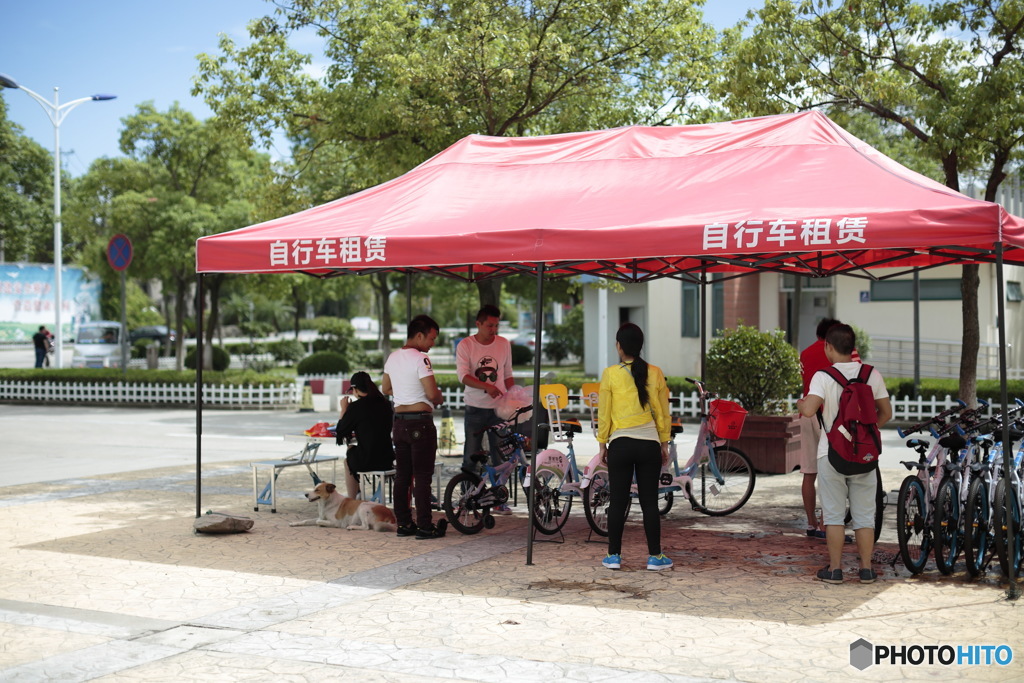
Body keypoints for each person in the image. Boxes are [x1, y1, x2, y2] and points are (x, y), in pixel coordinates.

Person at [797, 323, 891, 584]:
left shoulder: (823, 376)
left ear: (828, 346)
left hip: (831, 454)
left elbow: (808, 411)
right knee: (864, 515)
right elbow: (886, 413)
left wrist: (801, 403)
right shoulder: (872, 374)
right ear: (852, 348)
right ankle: (866, 569)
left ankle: (835, 570)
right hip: (865, 457)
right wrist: (864, 436)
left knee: (834, 515)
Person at [596, 322, 673, 571]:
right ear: (640, 346)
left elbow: (604, 413)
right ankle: (655, 557)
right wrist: (664, 443)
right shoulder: (656, 372)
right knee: (650, 502)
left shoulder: (611, 374)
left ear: (619, 346)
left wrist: (602, 444)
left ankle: (613, 556)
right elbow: (663, 412)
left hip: (620, 444)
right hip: (649, 444)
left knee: (618, 501)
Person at [382, 314, 447, 540]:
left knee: (402, 476)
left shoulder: (392, 357)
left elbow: (386, 389)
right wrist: (438, 397)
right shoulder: (421, 359)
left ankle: (403, 523)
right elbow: (431, 393)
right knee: (422, 477)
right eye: (431, 338)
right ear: (419, 335)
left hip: (399, 423)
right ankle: (425, 526)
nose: (432, 343)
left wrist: (404, 392)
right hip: (420, 422)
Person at [799, 318, 861, 539]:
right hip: (832, 417)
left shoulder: (805, 353)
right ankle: (827, 525)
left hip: (807, 413)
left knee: (809, 471)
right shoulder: (847, 353)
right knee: (833, 471)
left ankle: (811, 523)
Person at [456, 305, 515, 513]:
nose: (494, 329)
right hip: (475, 408)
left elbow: (507, 374)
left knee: (501, 458)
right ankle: (467, 497)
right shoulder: (466, 345)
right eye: (489, 325)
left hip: (499, 409)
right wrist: (487, 386)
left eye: (496, 325)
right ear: (478, 324)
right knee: (470, 456)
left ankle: (498, 499)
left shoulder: (503, 344)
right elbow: (463, 376)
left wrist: (513, 397)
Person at [335, 371, 395, 499]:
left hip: (368, 460)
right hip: (387, 457)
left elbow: (340, 431)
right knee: (355, 452)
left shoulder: (356, 407)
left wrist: (344, 409)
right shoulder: (385, 403)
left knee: (349, 457)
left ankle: (354, 498)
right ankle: (358, 496)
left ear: (355, 389)